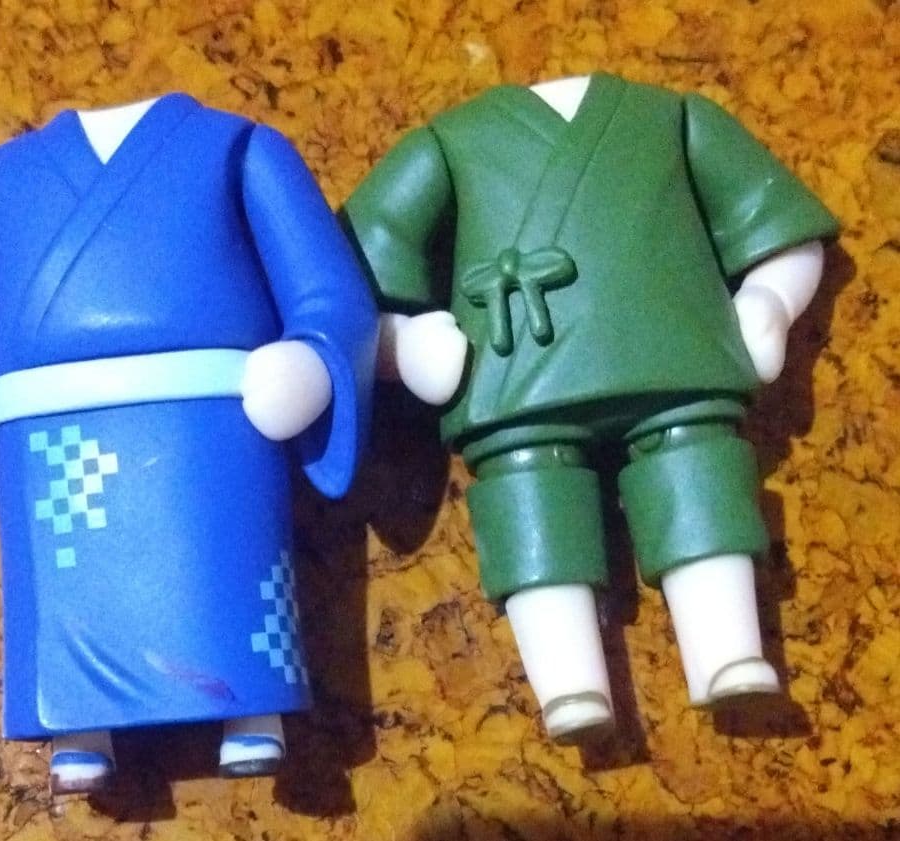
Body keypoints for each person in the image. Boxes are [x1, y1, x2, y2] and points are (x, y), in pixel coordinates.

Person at [0, 93, 377, 792]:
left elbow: (327, 285)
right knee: (68, 592)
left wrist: (315, 359)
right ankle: (79, 727)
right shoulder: (5, 177)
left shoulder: (238, 149)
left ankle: (251, 711)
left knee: (221, 567)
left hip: (209, 423)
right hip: (51, 435)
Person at [342, 73, 838, 739]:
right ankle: (569, 685)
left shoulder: (673, 120)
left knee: (697, 473)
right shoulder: (448, 146)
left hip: (674, 361)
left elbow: (783, 228)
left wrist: (768, 300)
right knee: (528, 500)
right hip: (517, 381)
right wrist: (401, 343)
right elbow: (349, 273)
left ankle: (728, 650)